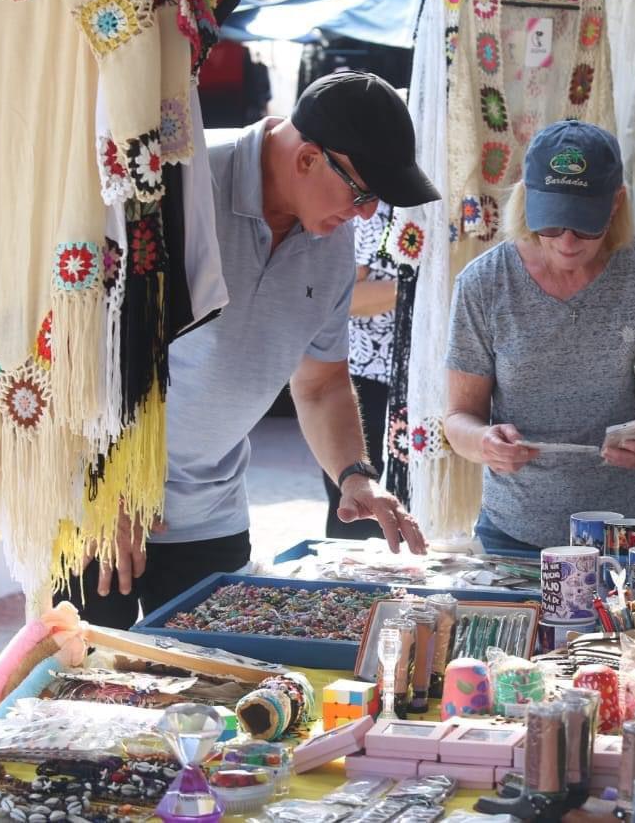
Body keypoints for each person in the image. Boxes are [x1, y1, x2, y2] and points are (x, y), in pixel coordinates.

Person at [59, 72, 436, 627]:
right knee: (81, 692)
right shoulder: (174, 183)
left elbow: (321, 383)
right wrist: (103, 481)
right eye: (362, 194)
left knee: (207, 696)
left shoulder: (331, 243)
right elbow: (74, 345)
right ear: (307, 159)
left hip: (212, 516)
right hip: (96, 506)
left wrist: (356, 475)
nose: (365, 215)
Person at [444, 121, 635, 556]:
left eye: (585, 226)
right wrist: (485, 444)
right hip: (517, 534)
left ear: (616, 203)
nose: (566, 241)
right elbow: (458, 419)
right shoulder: (484, 283)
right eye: (551, 224)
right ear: (526, 198)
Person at [321, 204, 395, 539]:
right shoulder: (373, 212)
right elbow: (341, 296)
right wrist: (421, 290)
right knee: (358, 513)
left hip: (414, 385)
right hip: (363, 379)